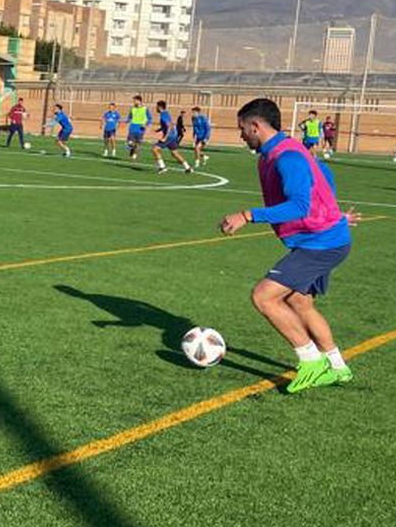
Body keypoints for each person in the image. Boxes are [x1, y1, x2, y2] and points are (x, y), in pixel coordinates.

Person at [219, 97, 354, 393]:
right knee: (299, 302)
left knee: (264, 297)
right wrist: (332, 212)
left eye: (242, 129)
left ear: (256, 126)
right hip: (324, 238)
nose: (241, 135)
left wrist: (247, 215)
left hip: (321, 243)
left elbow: (299, 206)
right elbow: (323, 175)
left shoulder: (286, 157)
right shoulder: (279, 152)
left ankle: (311, 362)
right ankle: (338, 367)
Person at [152, 99, 193, 174]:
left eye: (156, 106)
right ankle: (188, 167)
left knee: (155, 149)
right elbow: (169, 124)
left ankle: (162, 167)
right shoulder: (166, 113)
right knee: (174, 153)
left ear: (160, 107)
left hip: (169, 136)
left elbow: (169, 126)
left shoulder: (163, 115)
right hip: (174, 135)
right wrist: (159, 130)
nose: (156, 108)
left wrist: (164, 137)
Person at [126, 95, 149, 160]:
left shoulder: (145, 109)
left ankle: (135, 154)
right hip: (132, 127)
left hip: (140, 128)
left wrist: (145, 124)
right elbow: (129, 117)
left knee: (138, 143)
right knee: (130, 142)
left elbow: (149, 118)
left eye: (135, 100)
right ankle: (132, 148)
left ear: (139, 101)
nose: (134, 102)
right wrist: (126, 121)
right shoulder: (132, 109)